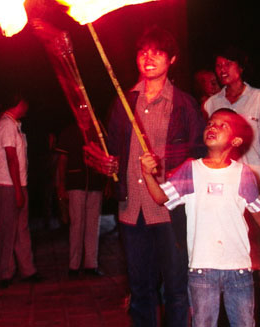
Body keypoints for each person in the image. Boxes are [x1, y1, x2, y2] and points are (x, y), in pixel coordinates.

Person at [84, 25, 205, 327]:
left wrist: (170, 175)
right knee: (140, 290)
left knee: (176, 290)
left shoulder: (185, 105)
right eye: (143, 52)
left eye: (157, 52)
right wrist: (107, 165)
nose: (148, 57)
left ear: (172, 59)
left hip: (170, 212)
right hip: (131, 211)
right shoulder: (123, 104)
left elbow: (198, 157)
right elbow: (112, 153)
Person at [140, 109, 260, 327]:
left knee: (244, 323)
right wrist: (147, 174)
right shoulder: (190, 170)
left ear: (235, 140)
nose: (212, 127)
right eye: (210, 124)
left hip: (239, 268)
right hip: (202, 268)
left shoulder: (243, 173)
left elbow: (258, 211)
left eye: (222, 125)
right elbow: (160, 197)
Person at [203, 46, 260, 327]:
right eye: (218, 64)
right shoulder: (211, 104)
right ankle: (237, 314)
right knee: (234, 251)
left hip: (257, 185)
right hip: (225, 190)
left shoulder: (259, 98)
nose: (222, 68)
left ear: (241, 66)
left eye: (228, 62)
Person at [0, 91, 41, 287]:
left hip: (17, 183)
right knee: (8, 229)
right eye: (25, 103)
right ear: (18, 103)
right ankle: (5, 272)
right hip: (7, 184)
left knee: (21, 228)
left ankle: (27, 269)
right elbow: (11, 158)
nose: (27, 108)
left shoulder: (14, 125)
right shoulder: (6, 124)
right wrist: (18, 190)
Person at [55, 107, 107, 277]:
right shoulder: (69, 132)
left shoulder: (97, 132)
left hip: (95, 183)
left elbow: (106, 158)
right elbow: (62, 160)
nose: (85, 112)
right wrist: (60, 184)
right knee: (77, 224)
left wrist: (107, 183)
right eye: (81, 109)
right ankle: (74, 266)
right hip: (75, 183)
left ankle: (91, 265)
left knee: (93, 224)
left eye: (87, 109)